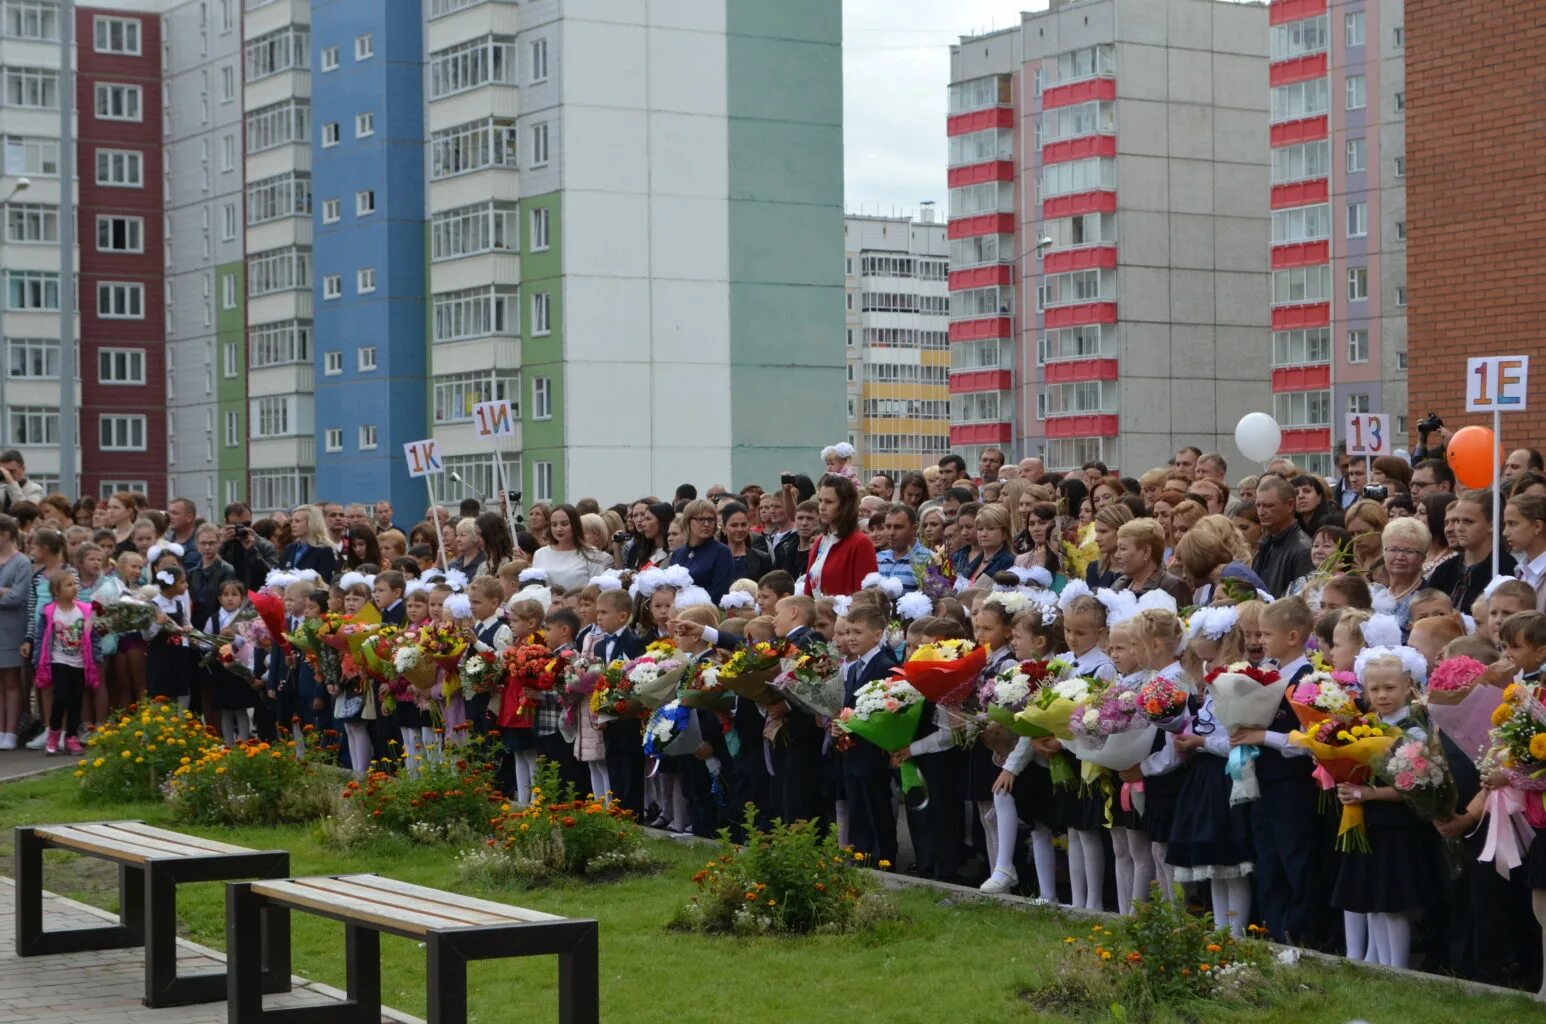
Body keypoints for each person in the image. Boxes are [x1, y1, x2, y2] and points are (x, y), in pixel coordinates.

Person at [1427, 490, 1515, 614]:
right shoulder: (1445, 569)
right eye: (1457, 521)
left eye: (1468, 521)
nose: (1459, 528)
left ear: (1491, 525)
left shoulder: (1505, 569)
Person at [805, 475, 878, 598]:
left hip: (845, 615)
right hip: (817, 614)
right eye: (820, 500)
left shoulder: (861, 542)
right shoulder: (820, 541)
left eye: (828, 502)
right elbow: (808, 591)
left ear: (845, 506)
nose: (822, 507)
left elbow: (866, 597)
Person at [1252, 476, 1314, 598]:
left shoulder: (1303, 550)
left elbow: (1301, 602)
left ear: (1290, 505)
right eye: (1258, 505)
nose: (1261, 512)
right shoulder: (1265, 545)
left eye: (1268, 505)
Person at [0, 514, 32, 749]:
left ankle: (11, 731)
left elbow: (17, 597)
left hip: (12, 628)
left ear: (5, 534)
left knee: (11, 679)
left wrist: (6, 593)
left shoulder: (21, 562)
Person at [1113, 518, 1191, 605]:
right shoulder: (1119, 585)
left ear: (1146, 551)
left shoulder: (1172, 586)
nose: (1116, 555)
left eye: (1123, 549)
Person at [532, 505, 610, 590]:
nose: (558, 529)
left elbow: (596, 589)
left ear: (575, 525)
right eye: (554, 525)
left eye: (564, 524)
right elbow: (535, 588)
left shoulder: (592, 553)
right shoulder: (540, 554)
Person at [281, 505, 339, 581]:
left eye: (297, 521)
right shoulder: (290, 548)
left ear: (311, 523)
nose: (292, 525)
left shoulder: (325, 550)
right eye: (292, 521)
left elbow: (324, 581)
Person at [719, 501, 771, 582]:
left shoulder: (762, 559)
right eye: (734, 525)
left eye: (743, 525)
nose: (740, 529)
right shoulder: (715, 559)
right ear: (723, 528)